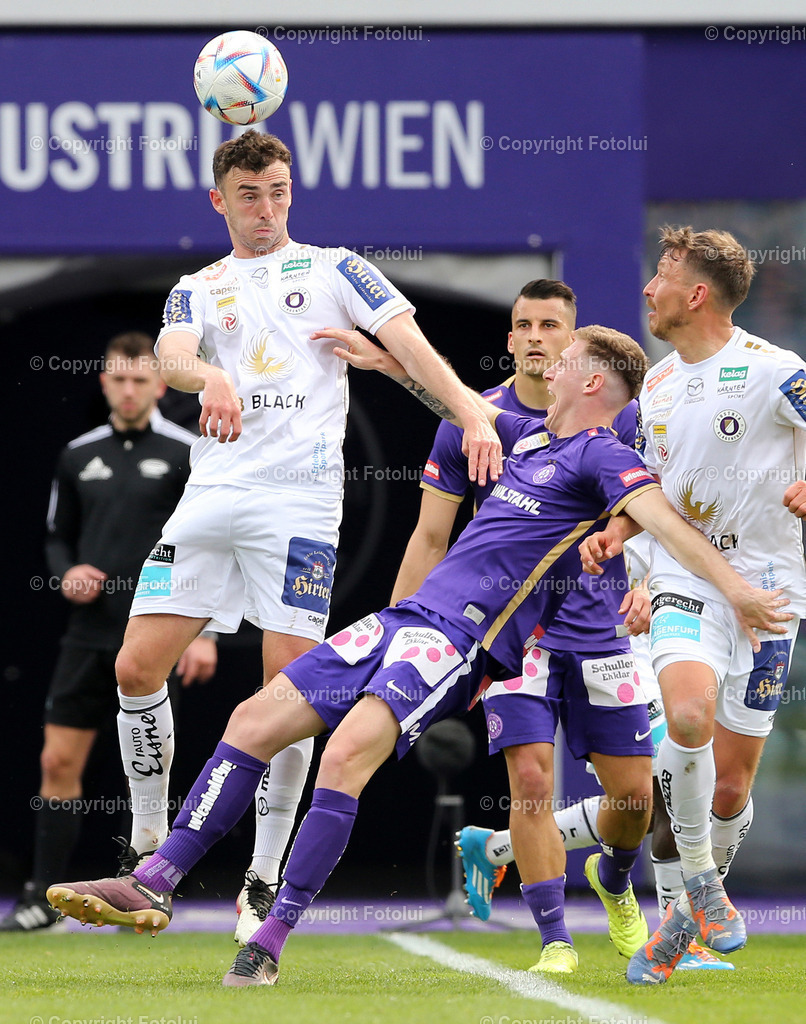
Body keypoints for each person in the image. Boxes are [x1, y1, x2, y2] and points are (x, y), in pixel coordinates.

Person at [47, 328, 788, 990]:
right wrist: (389, 365)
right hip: (403, 619)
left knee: (343, 759)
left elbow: (669, 523)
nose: (548, 364)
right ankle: (155, 879)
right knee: (252, 718)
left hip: (459, 641)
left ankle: (268, 940)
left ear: (592, 380)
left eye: (564, 359)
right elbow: (459, 405)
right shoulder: (531, 438)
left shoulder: (603, 455)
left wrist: (738, 593)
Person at [109, 129, 502, 945]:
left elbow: (412, 346)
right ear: (219, 201)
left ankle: (262, 877)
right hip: (212, 496)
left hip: (298, 506)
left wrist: (470, 411)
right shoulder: (198, 286)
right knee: (135, 666)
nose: (267, 208)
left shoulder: (335, 268)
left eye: (279, 192)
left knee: (286, 692)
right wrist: (211, 375)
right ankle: (146, 847)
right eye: (249, 195)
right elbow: (172, 357)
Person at [389, 286, 653, 973]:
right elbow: (430, 537)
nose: (536, 336)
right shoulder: (472, 419)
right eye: (524, 325)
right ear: (509, 340)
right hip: (514, 629)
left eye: (551, 326)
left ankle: (614, 879)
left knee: (635, 797)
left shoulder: (621, 418)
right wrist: (398, 635)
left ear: (577, 346)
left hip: (599, 625)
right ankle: (555, 941)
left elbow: (657, 508)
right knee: (531, 778)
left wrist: (650, 581)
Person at [580, 226, 806, 984]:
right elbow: (652, 495)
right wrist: (623, 542)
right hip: (687, 580)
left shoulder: (775, 370)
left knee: (732, 787)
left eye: (662, 275)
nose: (649, 289)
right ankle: (702, 885)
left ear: (697, 293)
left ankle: (680, 928)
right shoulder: (658, 386)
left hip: (770, 594)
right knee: (684, 719)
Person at [0, 333, 216, 933]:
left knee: (150, 766)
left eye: (140, 380)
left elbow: (208, 546)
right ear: (103, 381)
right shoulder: (78, 454)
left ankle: (143, 889)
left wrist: (207, 634)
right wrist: (66, 572)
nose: (128, 390)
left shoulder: (187, 452)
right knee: (57, 760)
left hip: (155, 637)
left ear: (161, 385)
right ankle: (42, 899)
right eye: (118, 379)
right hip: (87, 635)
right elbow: (56, 536)